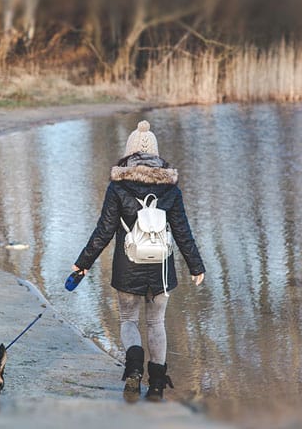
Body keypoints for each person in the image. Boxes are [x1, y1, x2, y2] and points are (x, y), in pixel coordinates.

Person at [70, 120, 205, 403]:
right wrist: (196, 266)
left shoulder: (118, 187)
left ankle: (133, 367)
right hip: (162, 269)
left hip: (128, 265)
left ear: (129, 153)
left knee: (129, 319)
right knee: (157, 323)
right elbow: (182, 231)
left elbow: (104, 231)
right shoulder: (171, 189)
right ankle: (156, 386)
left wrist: (83, 263)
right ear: (155, 155)